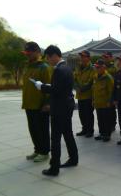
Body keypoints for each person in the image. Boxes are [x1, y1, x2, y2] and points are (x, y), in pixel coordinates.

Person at [32, 45, 78, 176]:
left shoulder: (58, 70)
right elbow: (61, 87)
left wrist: (41, 87)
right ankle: (74, 158)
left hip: (59, 108)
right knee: (68, 134)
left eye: (48, 58)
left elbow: (56, 90)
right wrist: (46, 85)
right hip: (67, 105)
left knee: (55, 138)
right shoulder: (67, 68)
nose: (48, 60)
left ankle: (54, 167)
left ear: (54, 56)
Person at [21, 41, 51, 162]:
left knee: (42, 130)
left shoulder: (44, 67)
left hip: (40, 105)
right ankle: (37, 149)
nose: (27, 55)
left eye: (30, 52)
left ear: (38, 52)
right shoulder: (28, 66)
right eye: (26, 53)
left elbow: (49, 87)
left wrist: (47, 103)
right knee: (33, 129)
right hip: (29, 103)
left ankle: (44, 152)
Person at [92, 59, 116, 142]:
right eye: (96, 67)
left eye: (98, 67)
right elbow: (94, 89)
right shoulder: (95, 76)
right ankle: (101, 133)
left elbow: (111, 91)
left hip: (106, 103)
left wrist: (110, 101)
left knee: (106, 120)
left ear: (103, 67)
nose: (97, 69)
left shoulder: (108, 77)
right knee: (100, 119)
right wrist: (93, 100)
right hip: (98, 102)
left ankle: (107, 135)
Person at [74, 50, 95, 138]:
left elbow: (91, 81)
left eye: (84, 56)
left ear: (88, 58)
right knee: (81, 114)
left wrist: (81, 88)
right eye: (81, 56)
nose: (82, 58)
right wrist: (76, 87)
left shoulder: (92, 68)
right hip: (80, 95)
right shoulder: (78, 67)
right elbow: (74, 78)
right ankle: (84, 129)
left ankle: (90, 130)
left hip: (88, 95)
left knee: (88, 114)